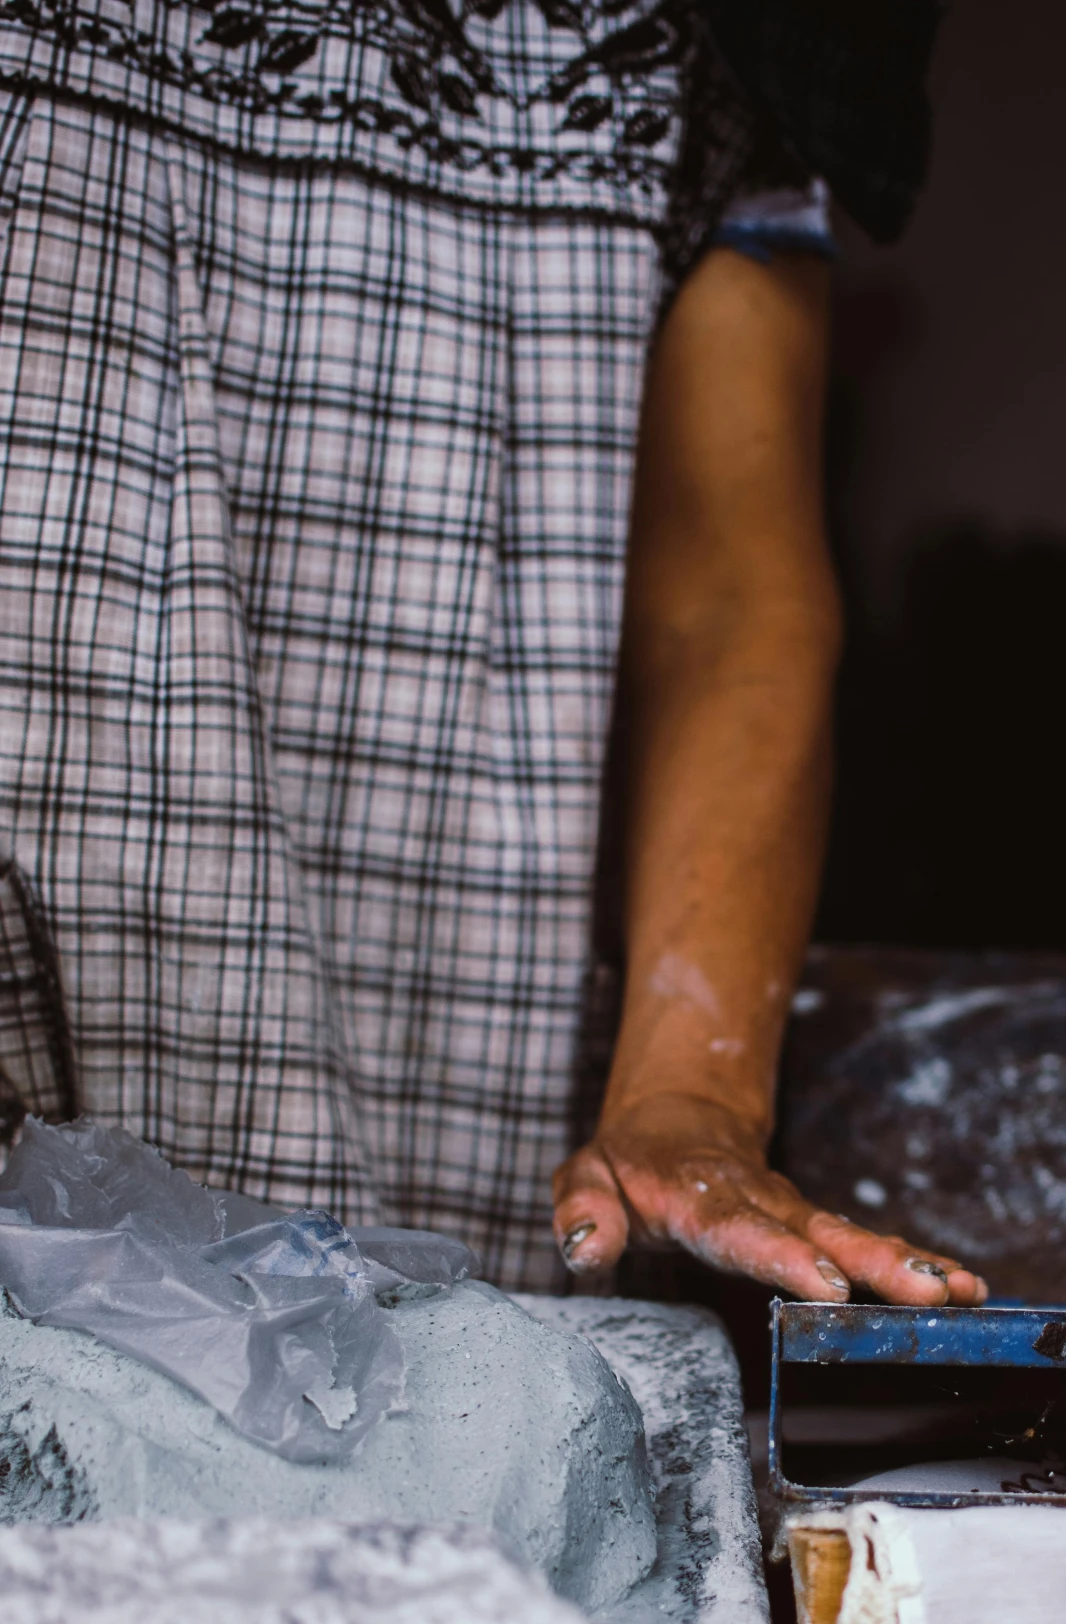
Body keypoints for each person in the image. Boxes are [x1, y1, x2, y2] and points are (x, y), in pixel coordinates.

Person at [0, 0, 985, 1308]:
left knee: (394, 1427)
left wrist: (688, 1082)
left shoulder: (750, 41)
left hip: (440, 1005)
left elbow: (727, 603)